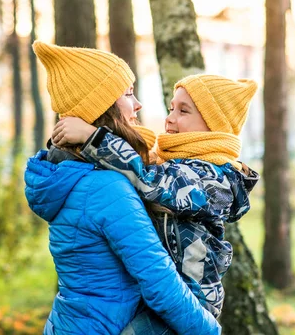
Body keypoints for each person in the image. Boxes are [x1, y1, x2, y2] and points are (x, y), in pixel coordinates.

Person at [24, 41, 221, 335]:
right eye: (128, 94)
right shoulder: (106, 187)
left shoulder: (69, 172)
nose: (138, 104)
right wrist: (209, 330)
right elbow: (158, 281)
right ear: (101, 107)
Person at [51, 74, 260, 319]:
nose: (169, 118)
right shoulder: (170, 163)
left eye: (183, 111)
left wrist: (91, 137)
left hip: (191, 301)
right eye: (171, 108)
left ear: (214, 124)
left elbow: (151, 182)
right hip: (159, 294)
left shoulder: (216, 178)